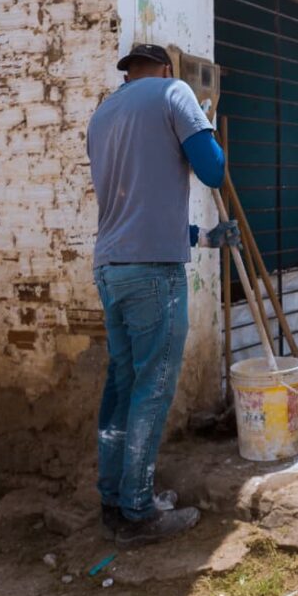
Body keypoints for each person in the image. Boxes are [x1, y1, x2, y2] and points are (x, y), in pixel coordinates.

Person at [87, 43, 236, 546]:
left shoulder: (103, 115)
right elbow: (213, 170)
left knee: (123, 386)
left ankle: (114, 495)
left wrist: (201, 237)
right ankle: (139, 510)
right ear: (166, 69)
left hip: (111, 267)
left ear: (127, 74)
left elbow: (137, 201)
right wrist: (207, 126)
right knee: (152, 388)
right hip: (154, 273)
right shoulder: (176, 93)